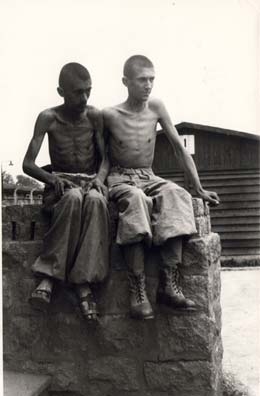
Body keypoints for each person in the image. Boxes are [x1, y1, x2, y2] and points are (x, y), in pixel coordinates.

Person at [103, 55, 219, 320]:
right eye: (142, 79)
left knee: (177, 195)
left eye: (152, 79)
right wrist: (99, 183)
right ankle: (139, 290)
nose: (148, 85)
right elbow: (102, 156)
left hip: (148, 175)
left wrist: (198, 188)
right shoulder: (108, 115)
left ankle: (169, 284)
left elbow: (179, 148)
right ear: (126, 81)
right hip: (120, 178)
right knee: (136, 201)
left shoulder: (155, 107)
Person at [23, 62, 110, 320]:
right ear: (61, 91)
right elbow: (28, 164)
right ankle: (48, 278)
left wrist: (99, 179)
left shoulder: (95, 116)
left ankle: (84, 284)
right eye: (77, 92)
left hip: (90, 181)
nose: (84, 98)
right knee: (72, 198)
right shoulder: (48, 118)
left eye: (88, 91)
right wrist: (51, 179)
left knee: (96, 201)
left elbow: (106, 159)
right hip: (61, 184)